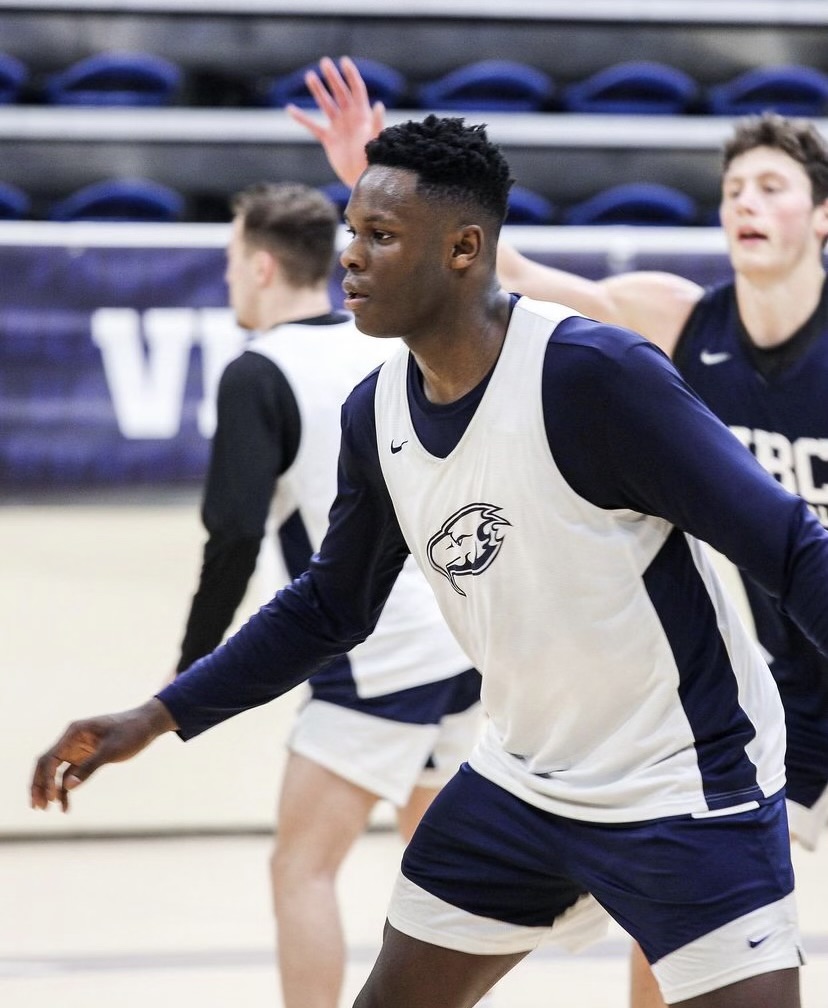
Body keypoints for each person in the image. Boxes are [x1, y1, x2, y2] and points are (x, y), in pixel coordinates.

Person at [31, 111, 828, 1008]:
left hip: (689, 785)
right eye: (351, 234)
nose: (351, 258)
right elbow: (329, 606)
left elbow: (794, 548)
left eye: (380, 235)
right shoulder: (376, 415)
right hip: (523, 781)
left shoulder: (594, 379)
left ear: (463, 249)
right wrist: (160, 713)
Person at [286, 60, 828, 1006]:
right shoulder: (674, 319)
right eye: (734, 187)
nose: (746, 201)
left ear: (820, 216)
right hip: (767, 676)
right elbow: (506, 279)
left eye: (772, 186)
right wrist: (371, 174)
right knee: (678, 933)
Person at [174, 180, 481, 1008]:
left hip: (375, 653)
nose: (230, 278)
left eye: (234, 261)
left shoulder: (259, 370)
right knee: (441, 873)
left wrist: (190, 675)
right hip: (465, 638)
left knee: (300, 865)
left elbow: (233, 534)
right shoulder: (386, 343)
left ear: (265, 267)